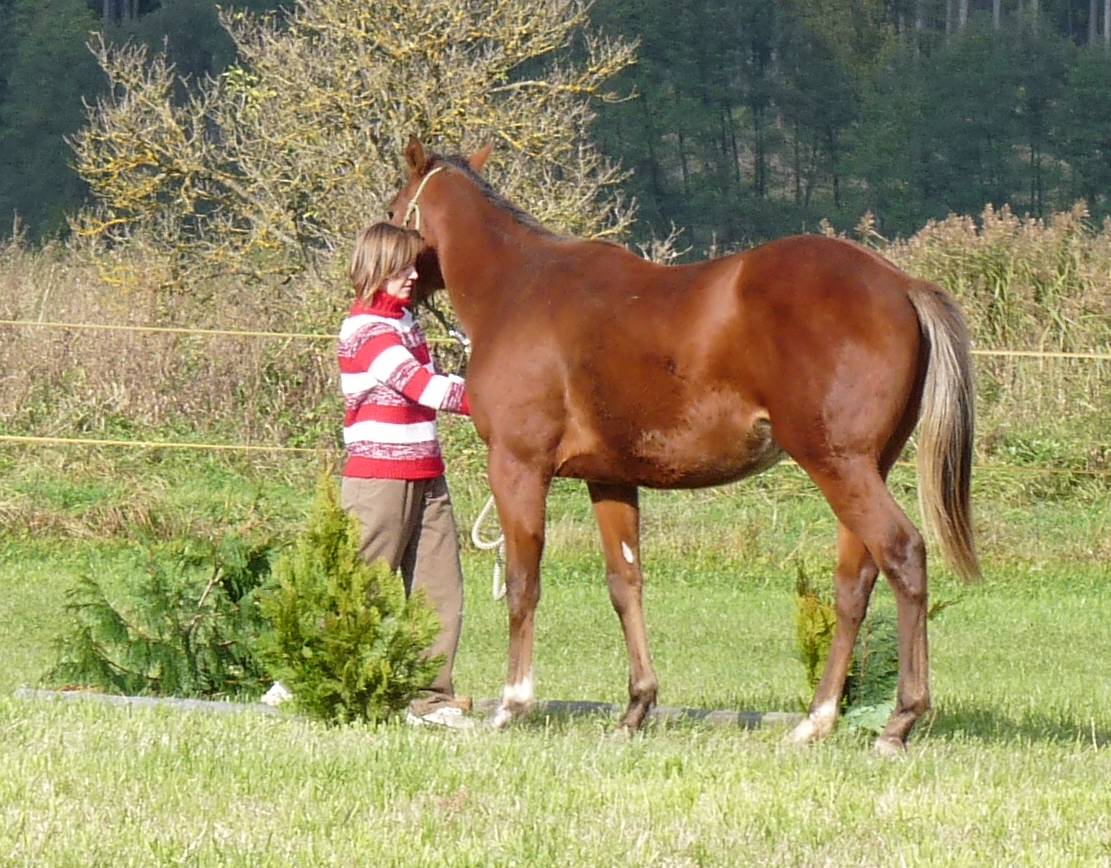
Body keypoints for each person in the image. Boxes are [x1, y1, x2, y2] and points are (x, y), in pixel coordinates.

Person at [338, 221, 473, 729]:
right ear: (376, 267)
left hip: (425, 471)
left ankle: (430, 699)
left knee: (439, 588)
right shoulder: (367, 330)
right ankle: (323, 678)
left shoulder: (405, 324)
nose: (413, 275)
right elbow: (422, 387)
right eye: (401, 266)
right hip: (380, 480)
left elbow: (433, 383)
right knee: (362, 586)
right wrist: (497, 399)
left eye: (414, 265)